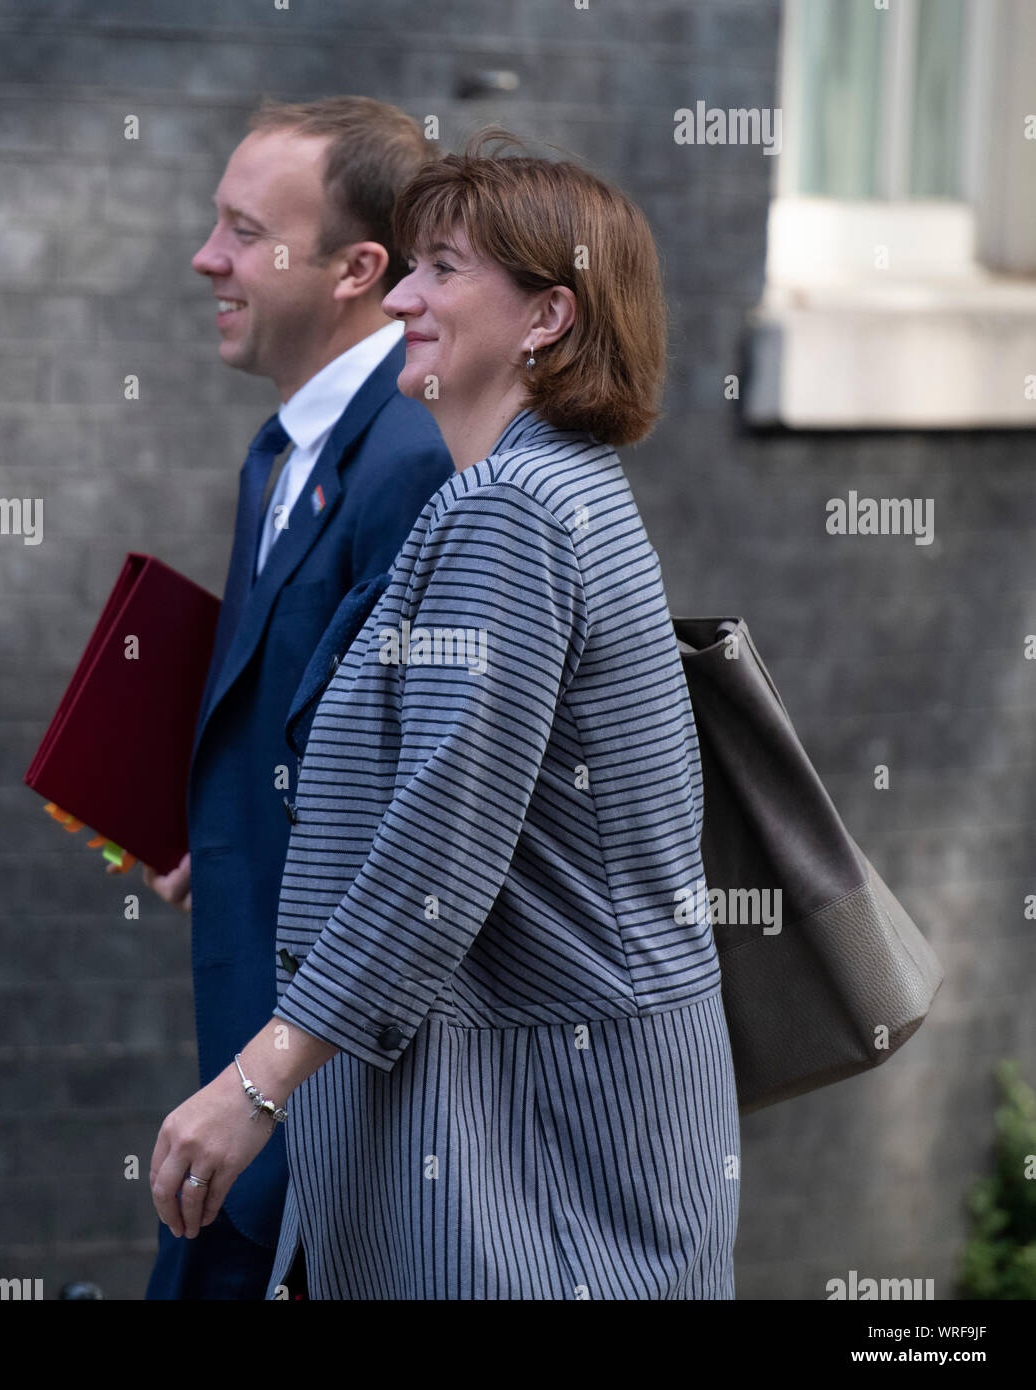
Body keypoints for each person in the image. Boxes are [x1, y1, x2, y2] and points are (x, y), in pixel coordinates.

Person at [149, 128, 740, 1299]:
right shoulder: (539, 491)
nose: (406, 296)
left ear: (547, 319)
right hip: (534, 1112)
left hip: (535, 1141)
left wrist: (254, 1082)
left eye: (444, 269)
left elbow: (440, 845)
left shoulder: (511, 514)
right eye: (410, 264)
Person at [140, 97, 453, 1300]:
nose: (206, 257)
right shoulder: (281, 449)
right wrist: (215, 838)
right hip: (250, 1058)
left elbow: (420, 819)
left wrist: (266, 1094)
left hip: (317, 1109)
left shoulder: (411, 461)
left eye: (242, 230)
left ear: (356, 270)